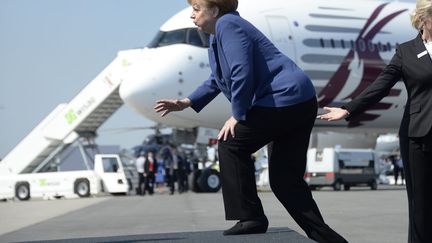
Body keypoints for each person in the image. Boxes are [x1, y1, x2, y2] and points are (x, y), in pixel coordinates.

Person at [154, 0, 347, 242]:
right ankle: (328, 239)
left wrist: (238, 114)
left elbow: (241, 71)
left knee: (231, 143)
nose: (191, 16)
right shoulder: (218, 34)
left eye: (196, 9)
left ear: (214, 11)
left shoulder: (228, 25)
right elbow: (218, 79)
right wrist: (186, 102)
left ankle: (250, 216)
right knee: (285, 181)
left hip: (283, 99)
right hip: (299, 101)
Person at [318, 0, 432, 241]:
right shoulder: (407, 51)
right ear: (423, 19)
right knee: (421, 203)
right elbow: (380, 86)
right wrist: (348, 109)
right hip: (419, 135)